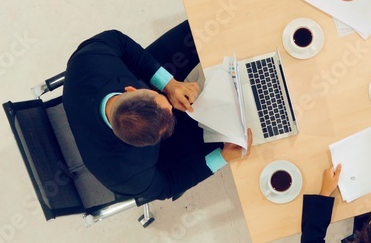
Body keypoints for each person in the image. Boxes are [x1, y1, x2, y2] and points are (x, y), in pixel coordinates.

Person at [63, 23, 250, 202]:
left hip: (132, 76)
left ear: (130, 89)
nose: (173, 105)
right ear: (147, 144)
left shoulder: (90, 60)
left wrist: (168, 84)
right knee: (239, 132)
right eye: (170, 111)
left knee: (199, 30)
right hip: (160, 152)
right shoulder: (129, 175)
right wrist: (222, 157)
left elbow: (117, 40)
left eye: (164, 103)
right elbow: (168, 185)